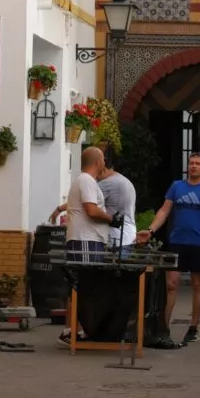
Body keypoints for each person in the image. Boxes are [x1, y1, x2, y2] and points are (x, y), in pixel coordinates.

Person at [138, 153, 200, 345]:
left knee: (198, 284)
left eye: (198, 164)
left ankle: (193, 327)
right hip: (177, 242)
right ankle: (164, 327)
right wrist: (151, 230)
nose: (193, 166)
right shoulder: (177, 186)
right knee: (171, 284)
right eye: (191, 163)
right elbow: (164, 210)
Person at [55, 147, 122, 346]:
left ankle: (76, 329)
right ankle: (72, 331)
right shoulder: (86, 180)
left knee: (83, 286)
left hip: (89, 238)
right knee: (83, 286)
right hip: (86, 240)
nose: (105, 164)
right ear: (99, 161)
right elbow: (91, 210)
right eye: (103, 160)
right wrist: (111, 218)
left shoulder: (84, 181)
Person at [98, 153, 137, 251]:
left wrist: (60, 209)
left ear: (103, 169)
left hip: (116, 237)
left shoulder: (106, 183)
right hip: (129, 235)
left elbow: (86, 201)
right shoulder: (125, 181)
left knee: (112, 266)